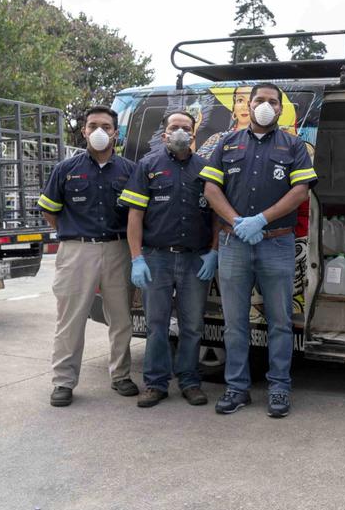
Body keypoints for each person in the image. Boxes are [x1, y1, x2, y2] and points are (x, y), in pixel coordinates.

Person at [199, 83, 317, 418]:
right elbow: (210, 189)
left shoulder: (293, 145)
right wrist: (238, 222)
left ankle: (279, 388)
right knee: (235, 322)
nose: (266, 106)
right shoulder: (227, 142)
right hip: (234, 243)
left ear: (281, 109)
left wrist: (261, 220)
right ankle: (237, 388)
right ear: (248, 106)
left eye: (272, 102)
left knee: (280, 321)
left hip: (277, 242)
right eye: (259, 101)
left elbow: (301, 191)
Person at [38, 106, 139, 406]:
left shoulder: (130, 171)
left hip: (118, 249)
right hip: (76, 251)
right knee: (70, 319)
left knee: (121, 318)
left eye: (106, 126)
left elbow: (137, 214)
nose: (99, 131)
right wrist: (74, 235)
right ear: (83, 131)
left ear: (116, 133)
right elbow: (49, 211)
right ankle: (63, 382)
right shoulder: (65, 170)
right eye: (93, 125)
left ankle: (120, 375)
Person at [120, 111, 218, 408]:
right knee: (157, 325)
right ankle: (156, 383)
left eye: (185, 128)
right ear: (164, 134)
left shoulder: (206, 169)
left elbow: (216, 215)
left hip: (194, 260)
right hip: (156, 259)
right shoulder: (147, 166)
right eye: (174, 127)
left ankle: (189, 381)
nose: (180, 132)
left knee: (192, 326)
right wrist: (137, 258)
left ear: (194, 135)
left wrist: (213, 252)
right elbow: (134, 217)